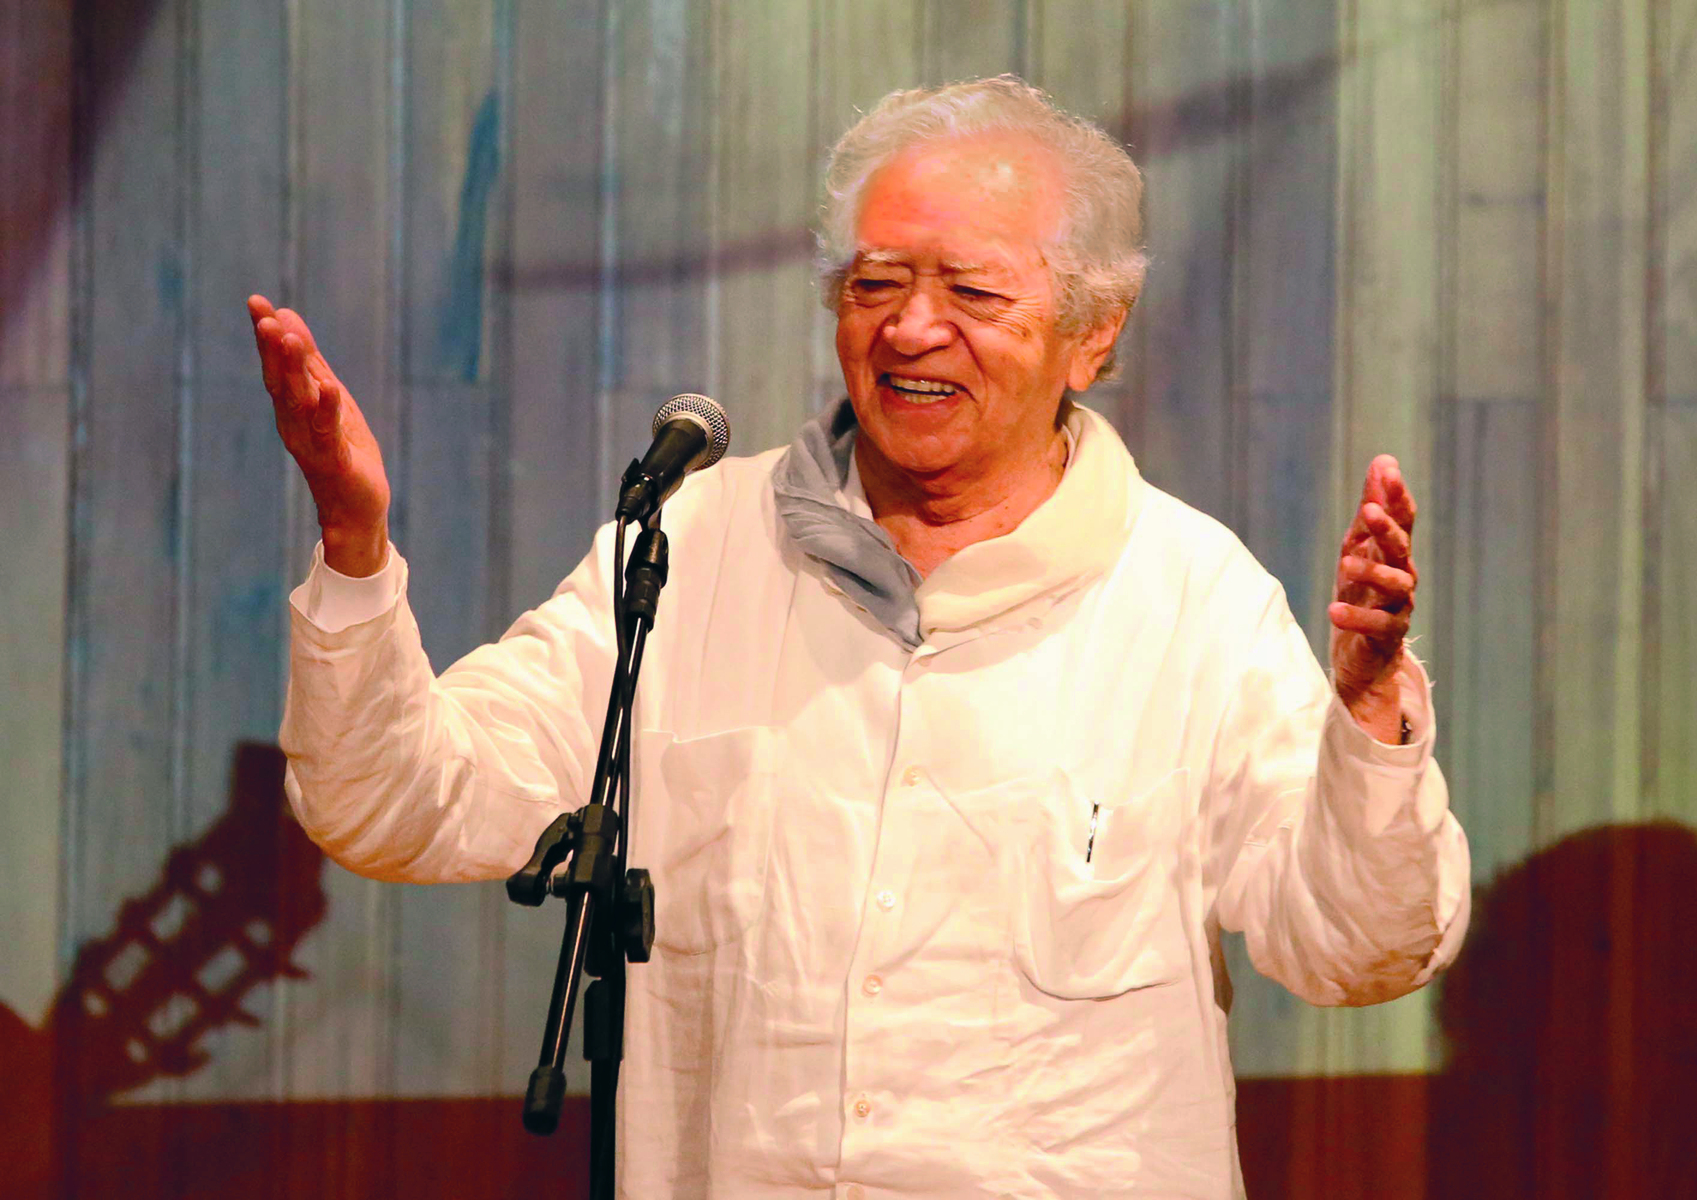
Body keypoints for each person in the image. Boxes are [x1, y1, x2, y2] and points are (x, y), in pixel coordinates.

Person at [253, 77, 1469, 1199]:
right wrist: (358, 547)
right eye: (875, 284)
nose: (910, 330)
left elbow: (1358, 947)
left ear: (1093, 334)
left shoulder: (1193, 601)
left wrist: (1367, 719)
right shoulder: (686, 552)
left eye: (972, 293)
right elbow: (393, 803)